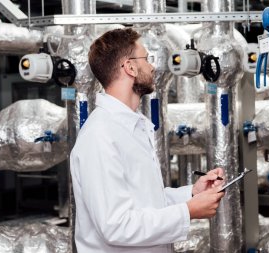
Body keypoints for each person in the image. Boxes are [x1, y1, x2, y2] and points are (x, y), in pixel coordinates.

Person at [70, 28, 225, 253]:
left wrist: (192, 194)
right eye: (146, 58)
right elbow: (116, 225)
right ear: (130, 67)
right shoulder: (100, 136)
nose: (152, 66)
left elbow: (145, 202)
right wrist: (188, 211)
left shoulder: (131, 125)